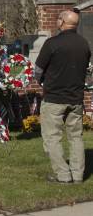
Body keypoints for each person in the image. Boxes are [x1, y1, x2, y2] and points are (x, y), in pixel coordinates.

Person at [35, 10, 91, 184]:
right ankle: (78, 175)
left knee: (52, 138)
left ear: (62, 22)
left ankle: (63, 175)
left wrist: (43, 83)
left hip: (54, 99)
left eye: (59, 18)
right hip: (76, 98)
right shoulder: (84, 43)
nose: (57, 21)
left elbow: (38, 71)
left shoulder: (52, 43)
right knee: (76, 137)